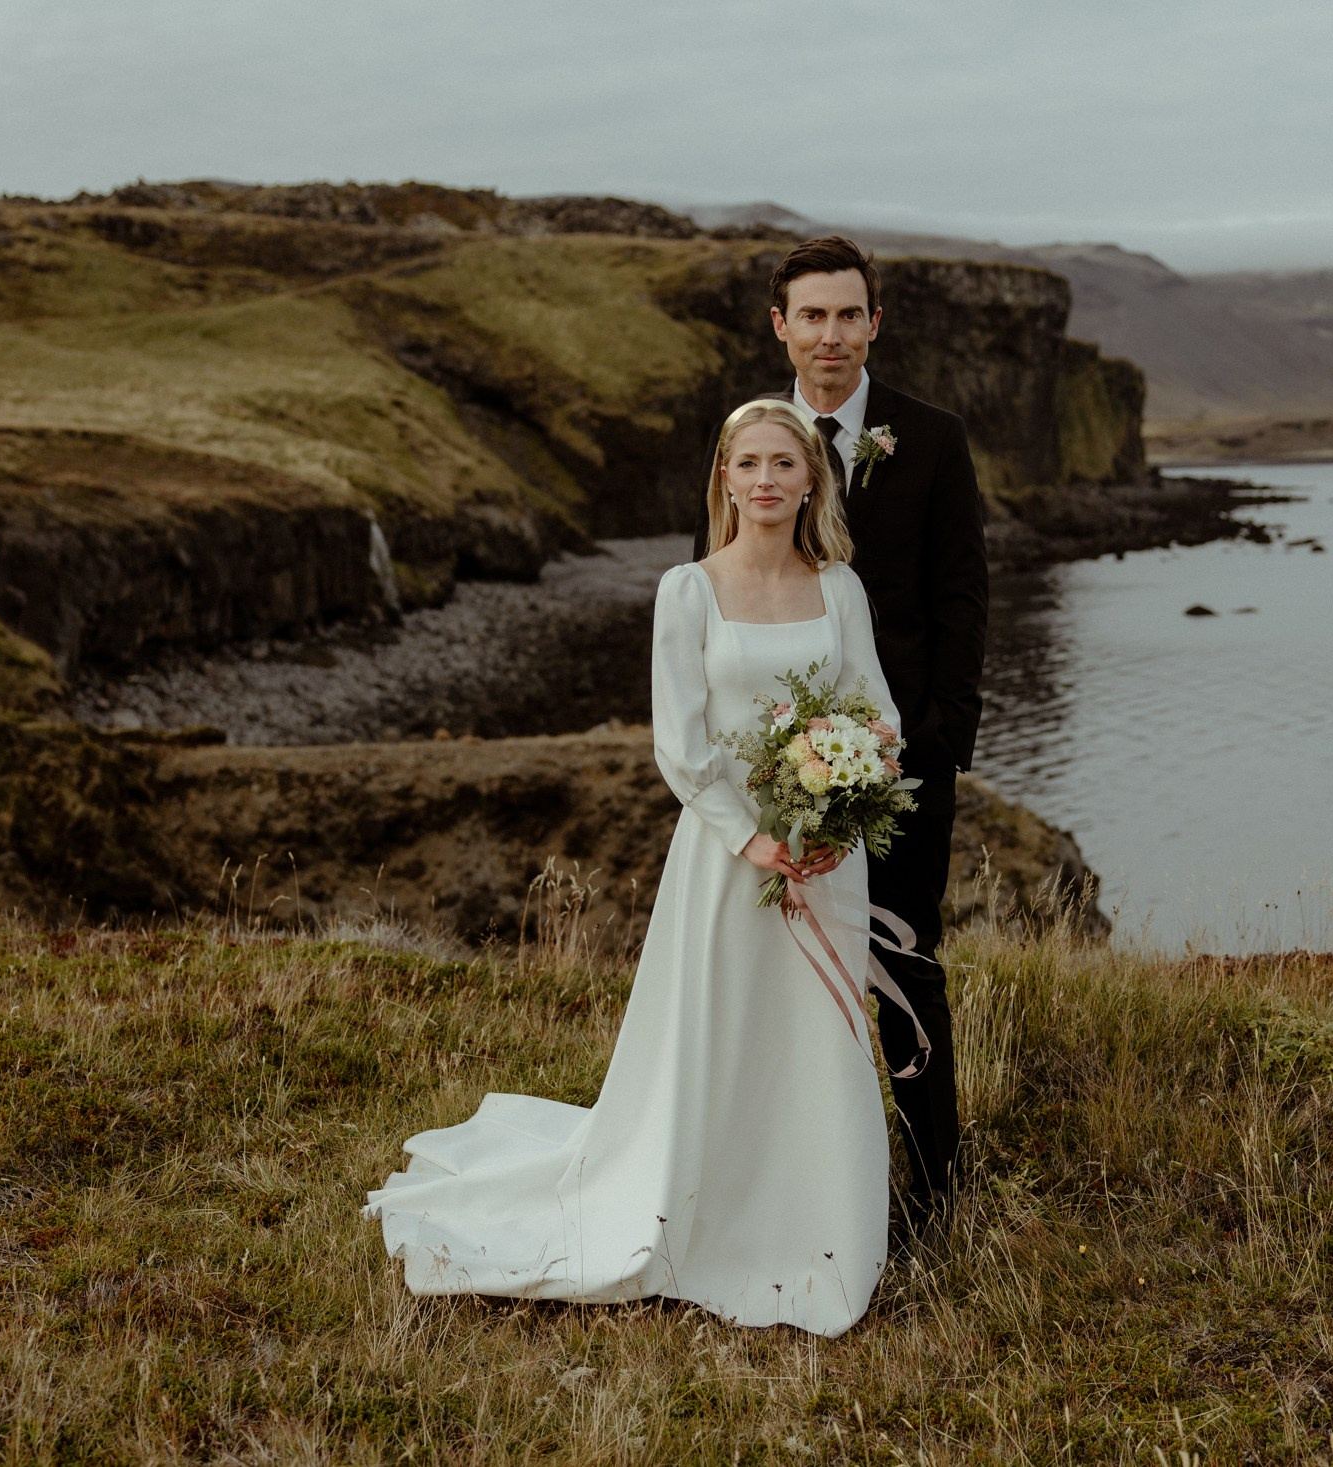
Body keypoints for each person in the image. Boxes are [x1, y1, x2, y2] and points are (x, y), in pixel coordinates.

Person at [364, 397, 900, 1337]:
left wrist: (841, 809)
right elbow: (680, 747)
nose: (768, 480)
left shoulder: (841, 587)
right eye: (750, 465)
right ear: (725, 480)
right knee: (726, 1028)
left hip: (827, 856)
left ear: (812, 478)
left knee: (818, 1033)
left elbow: (876, 712)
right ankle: (700, 1208)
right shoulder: (687, 591)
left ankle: (820, 1226)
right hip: (730, 855)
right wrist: (754, 837)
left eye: (786, 463)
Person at [694, 237, 989, 1230]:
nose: (830, 334)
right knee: (775, 982)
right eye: (809, 315)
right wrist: (751, 775)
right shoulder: (751, 438)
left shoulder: (933, 437)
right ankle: (779, 1184)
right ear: (779, 326)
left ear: (874, 323)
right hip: (772, 782)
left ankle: (931, 1184)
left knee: (903, 965)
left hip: (897, 774)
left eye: (847, 314)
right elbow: (710, 595)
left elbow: (962, 598)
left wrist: (937, 743)